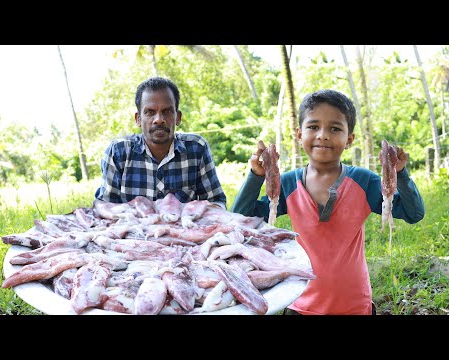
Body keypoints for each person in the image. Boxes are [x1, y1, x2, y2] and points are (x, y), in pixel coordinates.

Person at [231, 89, 425, 315]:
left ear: (349, 139)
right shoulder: (287, 184)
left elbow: (414, 214)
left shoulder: (365, 182)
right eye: (313, 127)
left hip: (353, 305)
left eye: (335, 128)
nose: (323, 135)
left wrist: (400, 173)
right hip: (299, 302)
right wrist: (255, 177)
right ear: (299, 134)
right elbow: (241, 219)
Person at [95, 76, 226, 208]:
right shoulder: (118, 152)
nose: (158, 119)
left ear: (178, 117)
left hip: (185, 227)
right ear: (138, 119)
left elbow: (215, 201)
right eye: (150, 112)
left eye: (167, 111)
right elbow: (106, 209)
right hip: (133, 228)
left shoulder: (197, 149)